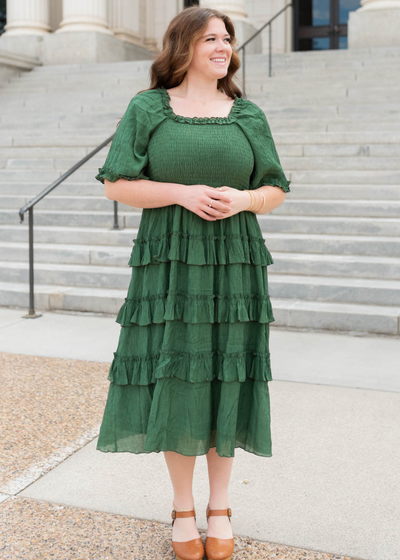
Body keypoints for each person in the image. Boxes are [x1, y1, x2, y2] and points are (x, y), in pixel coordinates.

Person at [95, 6, 291, 560]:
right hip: (170, 264)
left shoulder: (247, 114)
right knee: (176, 375)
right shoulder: (148, 108)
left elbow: (274, 188)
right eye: (211, 38)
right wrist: (180, 192)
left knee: (226, 375)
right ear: (182, 45)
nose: (223, 46)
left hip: (235, 263)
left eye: (227, 39)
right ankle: (183, 506)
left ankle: (221, 505)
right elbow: (116, 184)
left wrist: (245, 200)